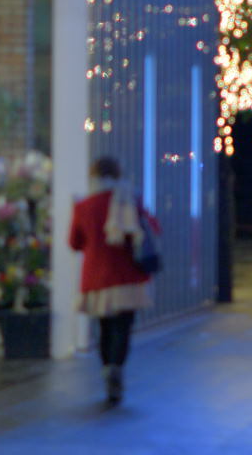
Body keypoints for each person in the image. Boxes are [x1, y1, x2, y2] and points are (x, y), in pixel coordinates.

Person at [69, 154, 158, 406]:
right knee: (123, 327)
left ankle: (107, 368)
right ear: (118, 174)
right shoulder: (130, 199)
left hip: (96, 277)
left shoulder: (83, 206)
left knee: (105, 328)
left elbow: (74, 243)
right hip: (126, 275)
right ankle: (116, 368)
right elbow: (153, 228)